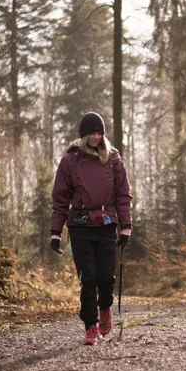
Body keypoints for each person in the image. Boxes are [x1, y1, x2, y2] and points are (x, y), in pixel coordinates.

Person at [50, 112, 132, 345]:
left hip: (106, 225)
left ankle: (105, 308)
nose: (96, 137)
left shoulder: (114, 159)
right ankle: (91, 327)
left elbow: (123, 195)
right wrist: (55, 232)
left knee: (106, 278)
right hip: (80, 226)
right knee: (89, 278)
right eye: (91, 133)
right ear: (83, 135)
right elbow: (60, 198)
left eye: (99, 133)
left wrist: (126, 226)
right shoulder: (70, 160)